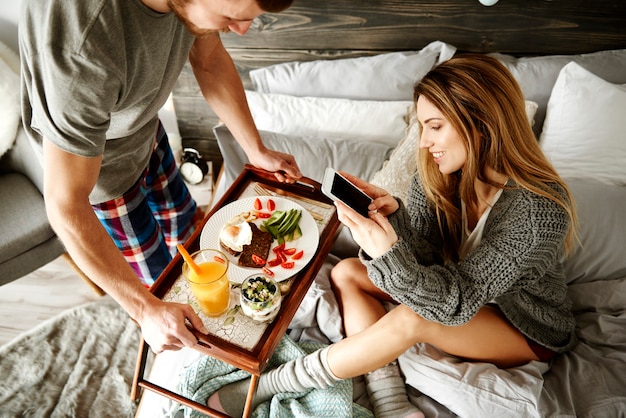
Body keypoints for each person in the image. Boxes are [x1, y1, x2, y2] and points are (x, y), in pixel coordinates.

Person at [207, 54, 579, 417]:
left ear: (480, 121)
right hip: (460, 291)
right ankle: (392, 403)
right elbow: (426, 257)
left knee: (411, 319)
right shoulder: (440, 172)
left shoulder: (537, 211)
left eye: (435, 127)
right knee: (346, 272)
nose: (424, 143)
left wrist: (388, 253)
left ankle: (275, 383)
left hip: (519, 323)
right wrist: (394, 220)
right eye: (423, 128)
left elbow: (454, 304)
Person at [19, 0, 302, 354]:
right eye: (231, 18)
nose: (242, 30)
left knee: (188, 233)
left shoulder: (199, 6)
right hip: (101, 182)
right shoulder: (81, 47)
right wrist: (146, 308)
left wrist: (256, 149)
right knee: (160, 278)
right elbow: (65, 204)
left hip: (148, 138)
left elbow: (210, 60)